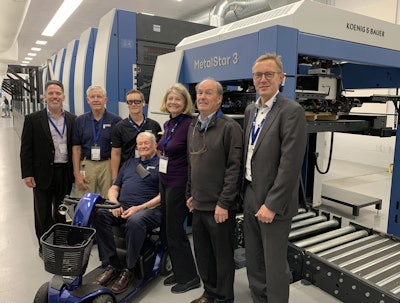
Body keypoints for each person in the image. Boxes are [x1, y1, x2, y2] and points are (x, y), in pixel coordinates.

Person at [242, 53, 307, 303]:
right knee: (254, 256)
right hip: (249, 192)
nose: (263, 79)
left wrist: (271, 204)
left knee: (274, 261)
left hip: (273, 201)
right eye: (258, 75)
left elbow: (290, 165)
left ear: (281, 78)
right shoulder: (251, 109)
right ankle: (260, 297)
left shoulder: (291, 111)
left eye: (269, 74)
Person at [186, 78, 243, 303]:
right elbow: (192, 163)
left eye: (208, 93)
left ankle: (224, 298)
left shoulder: (229, 128)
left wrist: (224, 203)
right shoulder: (194, 126)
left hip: (219, 208)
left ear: (219, 99)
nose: (202, 97)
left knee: (222, 258)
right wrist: (190, 194)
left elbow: (234, 169)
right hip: (198, 204)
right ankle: (209, 293)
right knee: (203, 254)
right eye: (199, 92)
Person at [91, 132, 162, 293]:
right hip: (122, 207)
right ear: (136, 147)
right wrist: (113, 203)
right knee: (99, 214)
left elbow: (163, 195)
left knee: (135, 220)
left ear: (155, 145)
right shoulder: (129, 163)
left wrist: (140, 207)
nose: (143, 146)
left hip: (150, 210)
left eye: (146, 143)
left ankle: (129, 269)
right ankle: (112, 264)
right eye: (140, 144)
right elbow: (114, 188)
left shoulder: (162, 165)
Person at [20, 80, 76, 257]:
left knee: (63, 211)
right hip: (41, 173)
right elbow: (26, 148)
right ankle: (45, 246)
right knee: (42, 213)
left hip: (64, 173)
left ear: (63, 96)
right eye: (51, 93)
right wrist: (27, 173)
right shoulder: (33, 119)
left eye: (58, 93)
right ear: (45, 96)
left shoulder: (72, 119)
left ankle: (62, 243)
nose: (54, 96)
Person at [157, 83, 200, 293]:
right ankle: (180, 270)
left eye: (178, 99)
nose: (173, 102)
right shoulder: (168, 124)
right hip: (164, 182)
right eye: (170, 98)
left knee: (176, 231)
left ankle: (190, 277)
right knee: (168, 230)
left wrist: (191, 190)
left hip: (178, 183)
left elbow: (193, 159)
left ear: (185, 103)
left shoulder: (189, 124)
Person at [72, 85, 122, 198]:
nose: (96, 100)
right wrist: (77, 173)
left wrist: (116, 175)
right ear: (87, 100)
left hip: (108, 165)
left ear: (105, 99)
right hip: (87, 164)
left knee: (109, 200)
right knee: (84, 200)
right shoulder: (80, 120)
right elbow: (76, 149)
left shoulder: (116, 121)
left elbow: (118, 150)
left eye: (99, 96)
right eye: (92, 97)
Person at [111, 89, 161, 181]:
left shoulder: (154, 125)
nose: (133, 104)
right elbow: (116, 153)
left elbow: (158, 150)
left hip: (151, 169)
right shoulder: (120, 127)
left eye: (137, 101)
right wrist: (115, 178)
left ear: (144, 103)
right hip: (128, 171)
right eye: (130, 102)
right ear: (127, 104)